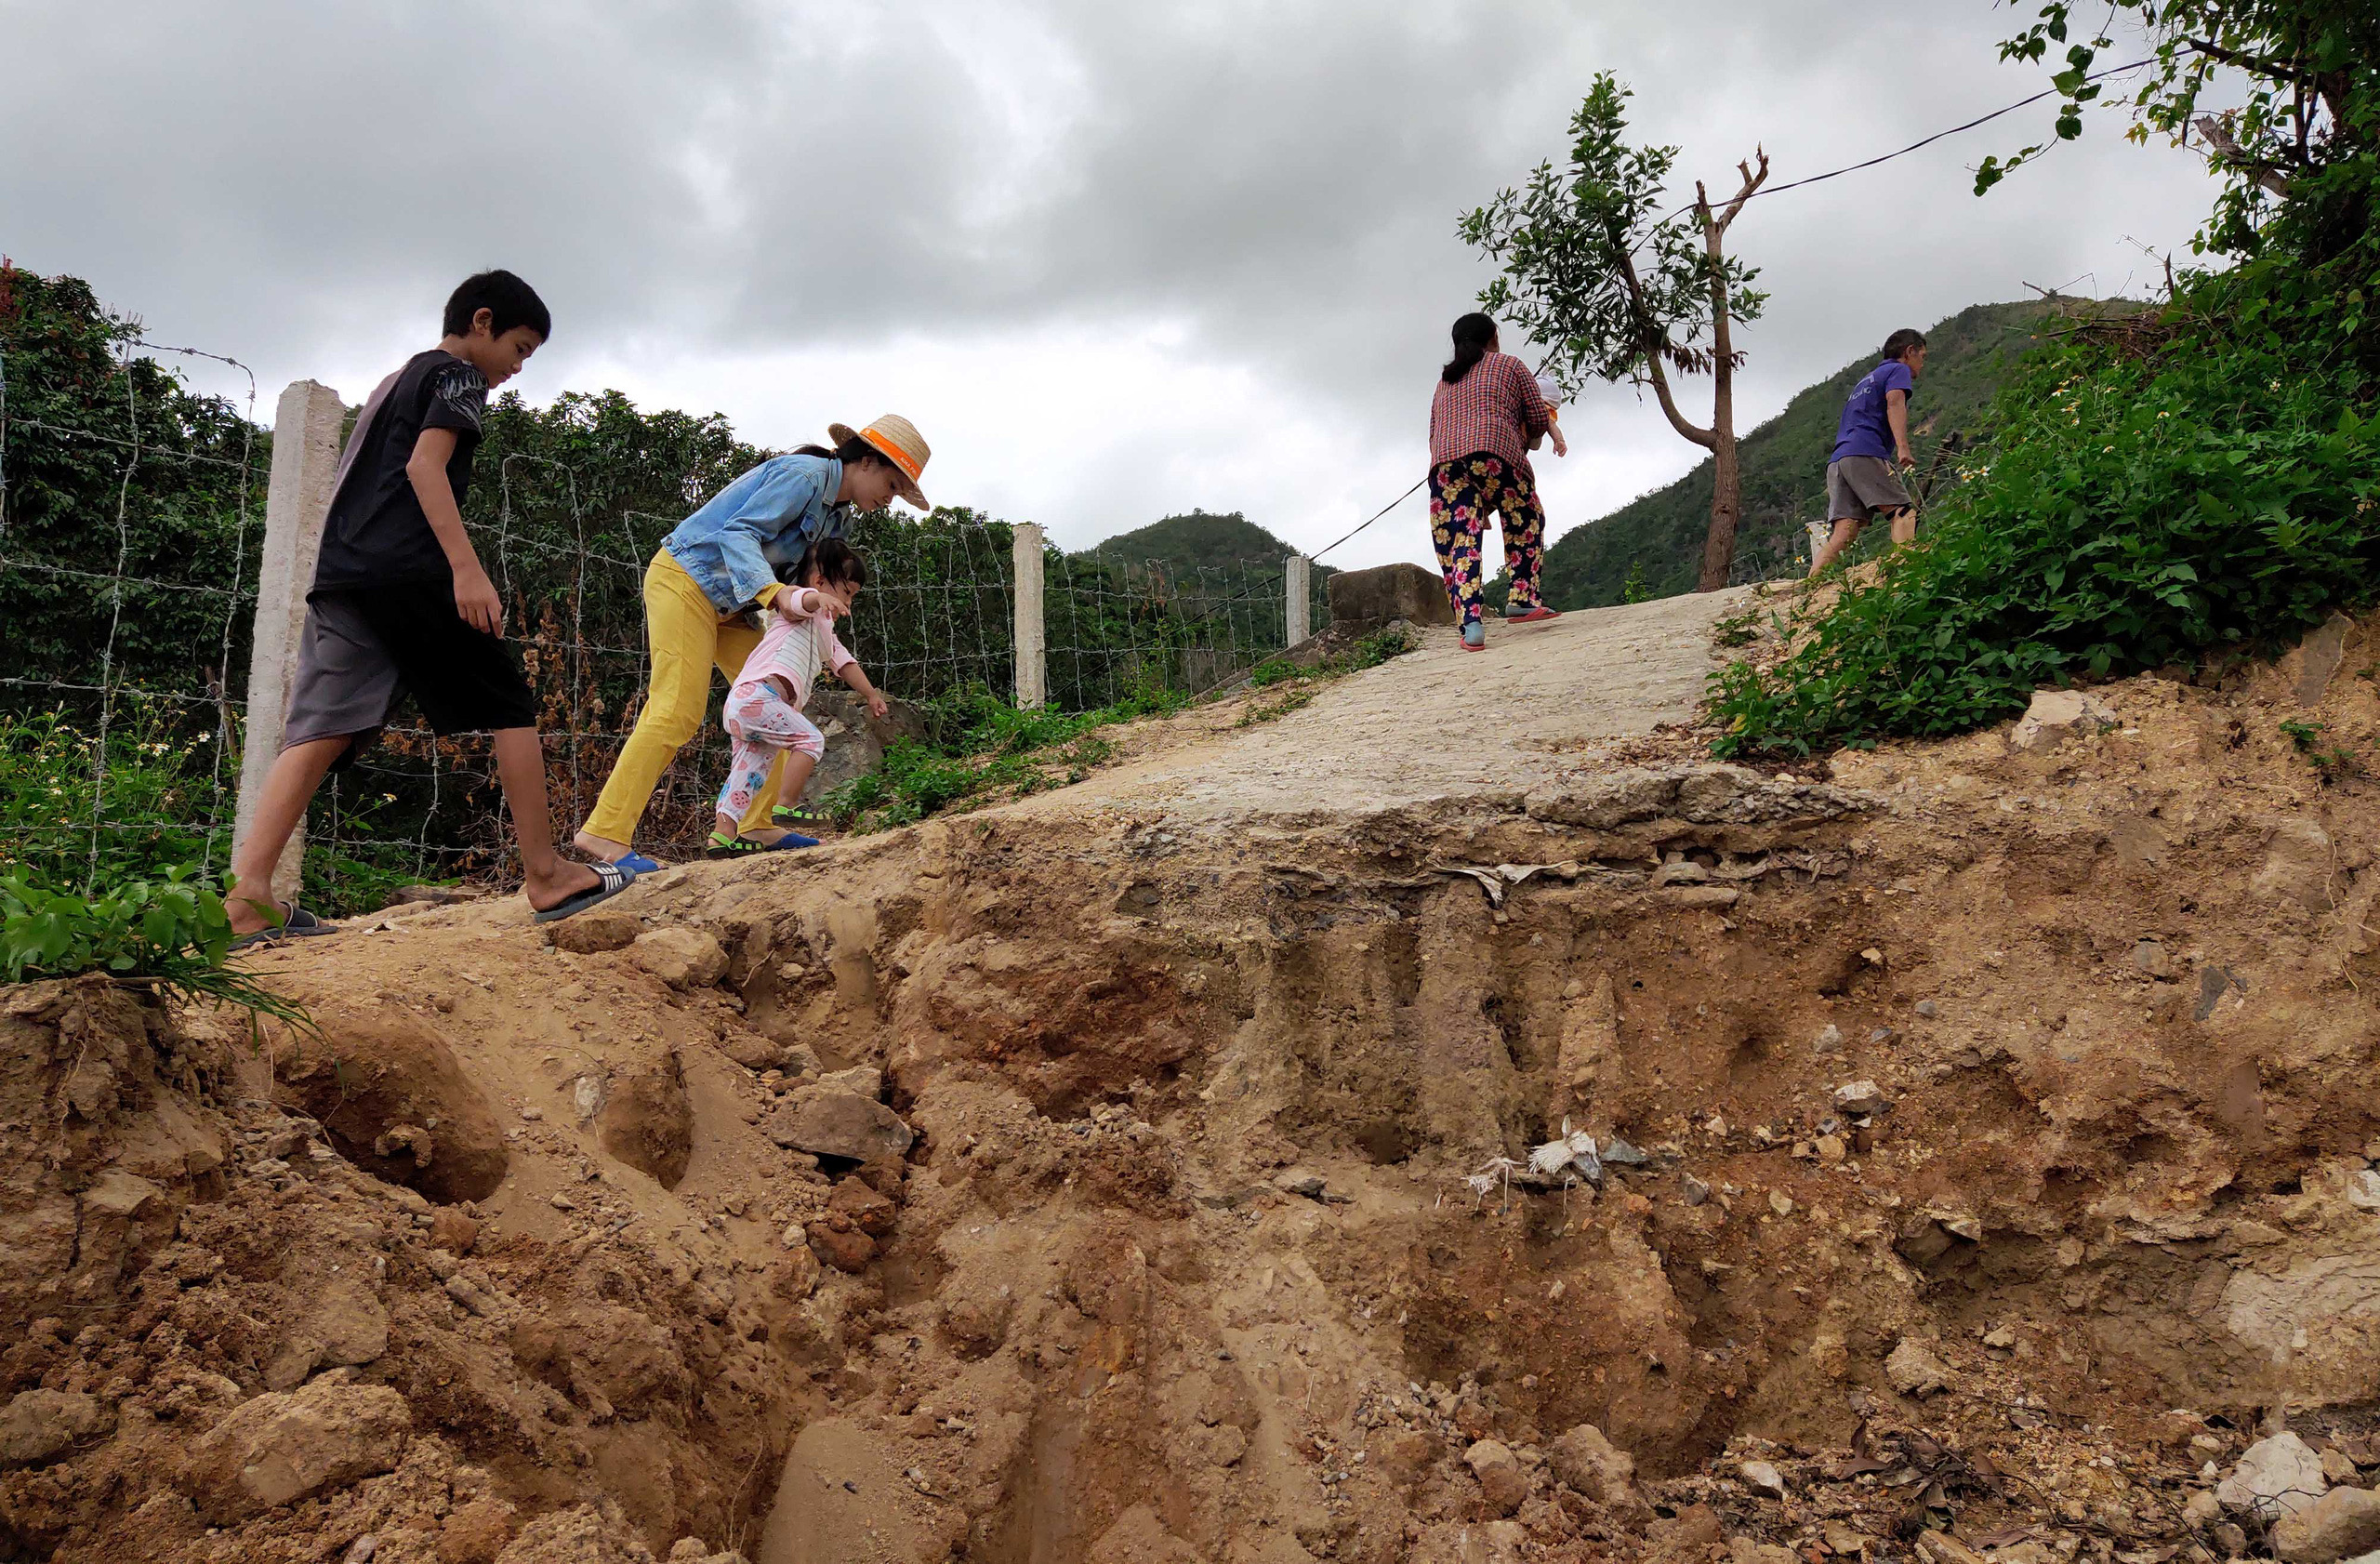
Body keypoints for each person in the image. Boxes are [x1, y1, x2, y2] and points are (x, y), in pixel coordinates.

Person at [226, 270, 634, 945]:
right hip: (408, 569)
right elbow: (424, 468)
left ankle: (247, 898)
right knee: (508, 701)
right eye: (521, 347)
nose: (517, 367)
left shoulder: (396, 380)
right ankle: (548, 874)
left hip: (345, 573)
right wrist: (467, 571)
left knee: (320, 730)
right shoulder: (457, 376)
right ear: (482, 323)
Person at [570, 416, 931, 868]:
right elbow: (737, 533)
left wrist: (812, 618)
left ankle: (758, 824)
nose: (891, 499)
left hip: (736, 606)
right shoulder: (802, 476)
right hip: (686, 581)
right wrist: (775, 594)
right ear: (867, 461)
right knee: (676, 711)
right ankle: (604, 834)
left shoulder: (838, 520)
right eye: (893, 485)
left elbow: (812, 580)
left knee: (778, 702)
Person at [707, 539, 889, 857]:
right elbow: (797, 601)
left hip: (746, 706)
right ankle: (786, 806)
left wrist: (871, 694)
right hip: (758, 696)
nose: (849, 602)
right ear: (820, 582)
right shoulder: (795, 607)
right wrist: (817, 598)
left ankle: (722, 834)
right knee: (810, 740)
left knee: (748, 772)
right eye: (847, 593)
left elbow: (844, 663)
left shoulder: (823, 633)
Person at [1427, 312, 1563, 650]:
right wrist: (1529, 440)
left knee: (1459, 542)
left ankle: (1470, 625)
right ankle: (1522, 597)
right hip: (1495, 454)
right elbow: (1536, 416)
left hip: (1445, 465)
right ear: (1492, 339)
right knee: (1525, 517)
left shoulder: (1444, 382)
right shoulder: (1510, 365)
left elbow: (1433, 432)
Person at [1811, 328, 1927, 576]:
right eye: (1922, 356)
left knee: (1845, 530)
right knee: (1903, 512)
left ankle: (1808, 587)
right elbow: (1895, 402)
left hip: (1839, 459)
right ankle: (1906, 575)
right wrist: (1903, 448)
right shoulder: (1898, 370)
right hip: (1865, 451)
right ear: (1909, 352)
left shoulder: (1867, 379)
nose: (1922, 364)